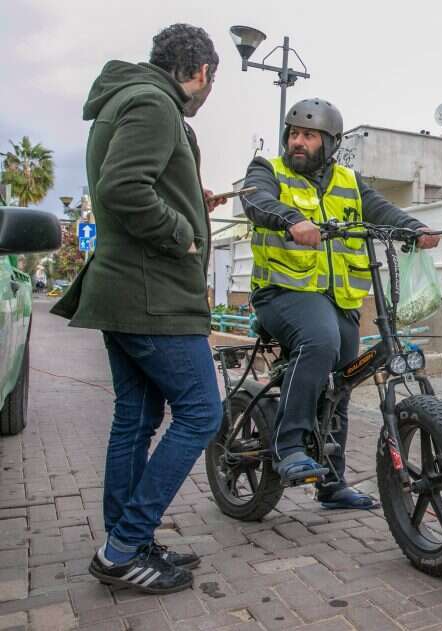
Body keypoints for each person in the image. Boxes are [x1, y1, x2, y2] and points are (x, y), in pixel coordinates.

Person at [52, 24, 223, 594]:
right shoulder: (155, 103)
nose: (206, 93)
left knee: (137, 418)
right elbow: (124, 187)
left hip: (124, 291)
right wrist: (183, 231)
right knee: (202, 412)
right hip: (153, 298)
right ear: (199, 71)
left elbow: (138, 180)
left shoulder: (128, 97)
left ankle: (126, 543)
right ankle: (124, 547)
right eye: (210, 82)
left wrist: (192, 201)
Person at [241, 98, 440, 506]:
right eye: (294, 133)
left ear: (329, 143)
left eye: (308, 135)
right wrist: (290, 220)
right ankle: (289, 445)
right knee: (320, 341)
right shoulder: (268, 170)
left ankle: (331, 483)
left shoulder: (348, 180)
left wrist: (414, 227)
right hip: (283, 294)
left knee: (342, 384)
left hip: (339, 300)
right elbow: (256, 199)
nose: (298, 141)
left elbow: (379, 209)